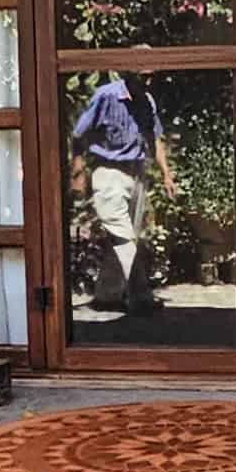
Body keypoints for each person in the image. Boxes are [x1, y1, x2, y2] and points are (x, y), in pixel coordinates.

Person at [70, 68, 173, 312]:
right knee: (124, 237)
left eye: (151, 76)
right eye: (143, 75)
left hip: (136, 174)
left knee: (122, 237)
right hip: (108, 172)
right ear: (129, 73)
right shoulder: (106, 96)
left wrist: (166, 174)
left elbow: (154, 138)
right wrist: (77, 171)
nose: (148, 81)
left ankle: (107, 296)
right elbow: (79, 134)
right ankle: (142, 296)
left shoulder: (147, 100)